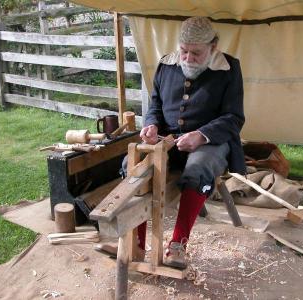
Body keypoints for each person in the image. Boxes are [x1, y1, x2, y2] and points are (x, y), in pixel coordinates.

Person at [96, 16, 246, 269]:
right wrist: (151, 125)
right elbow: (155, 105)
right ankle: (137, 244)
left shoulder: (228, 68)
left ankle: (178, 244)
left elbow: (234, 117)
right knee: (133, 165)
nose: (187, 58)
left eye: (196, 53)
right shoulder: (167, 64)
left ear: (214, 46)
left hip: (210, 142)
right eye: (184, 51)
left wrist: (201, 135)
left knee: (199, 167)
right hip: (169, 140)